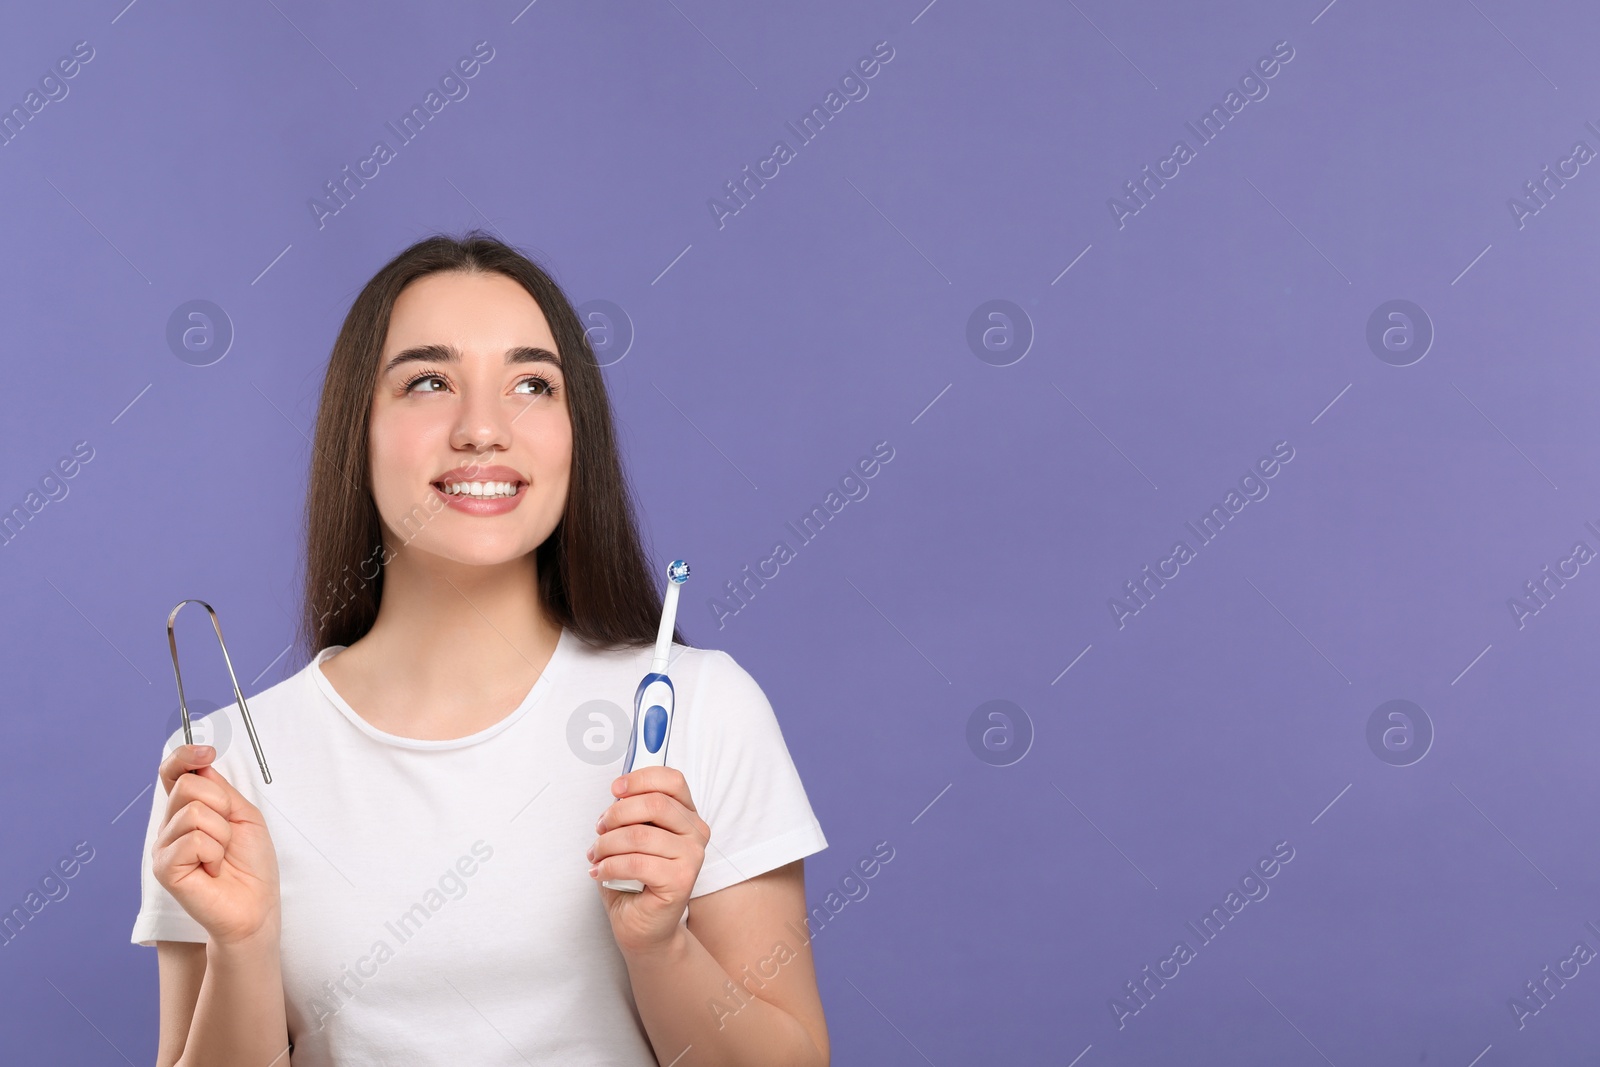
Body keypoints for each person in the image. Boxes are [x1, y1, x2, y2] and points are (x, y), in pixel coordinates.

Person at [130, 230, 831, 1065]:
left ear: (579, 435)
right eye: (429, 381)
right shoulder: (224, 765)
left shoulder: (703, 710)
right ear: (358, 428)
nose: (483, 428)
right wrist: (243, 945)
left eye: (532, 383)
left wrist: (661, 946)